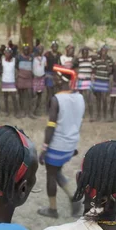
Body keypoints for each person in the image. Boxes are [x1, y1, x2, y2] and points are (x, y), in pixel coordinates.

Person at [37, 68, 85, 219]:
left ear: (62, 80)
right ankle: (74, 199)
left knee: (51, 175)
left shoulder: (56, 99)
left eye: (56, 77)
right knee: (57, 172)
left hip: (57, 146)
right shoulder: (80, 97)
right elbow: (76, 121)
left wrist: (44, 149)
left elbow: (51, 126)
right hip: (71, 144)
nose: (54, 80)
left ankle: (52, 209)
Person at [92, 46, 113, 121]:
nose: (104, 52)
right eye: (102, 50)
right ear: (100, 51)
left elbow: (110, 70)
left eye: (105, 51)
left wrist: (105, 61)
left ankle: (105, 115)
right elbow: (93, 69)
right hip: (98, 80)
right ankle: (98, 115)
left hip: (105, 81)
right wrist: (93, 79)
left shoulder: (109, 59)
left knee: (104, 98)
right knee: (98, 99)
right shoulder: (96, 59)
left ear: (107, 51)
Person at [75, 46, 95, 121]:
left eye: (86, 53)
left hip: (88, 80)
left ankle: (91, 116)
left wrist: (90, 49)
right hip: (80, 80)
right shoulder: (79, 59)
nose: (85, 54)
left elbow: (97, 55)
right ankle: (81, 115)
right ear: (82, 53)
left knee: (89, 99)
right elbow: (73, 61)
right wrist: (79, 51)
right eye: (84, 53)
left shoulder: (91, 59)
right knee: (80, 99)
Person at [16, 43, 34, 118]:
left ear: (29, 50)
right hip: (21, 78)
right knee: (21, 96)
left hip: (29, 79)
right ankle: (22, 111)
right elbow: (16, 66)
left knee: (30, 95)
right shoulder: (19, 57)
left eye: (27, 49)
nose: (26, 51)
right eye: (25, 49)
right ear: (23, 50)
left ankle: (29, 112)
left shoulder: (31, 57)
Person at [1, 47, 17, 116]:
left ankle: (16, 111)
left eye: (9, 53)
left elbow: (17, 69)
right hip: (5, 80)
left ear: (11, 53)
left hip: (12, 81)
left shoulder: (14, 60)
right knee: (5, 97)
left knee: (14, 97)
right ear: (4, 53)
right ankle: (7, 111)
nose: (7, 54)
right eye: (6, 52)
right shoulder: (2, 60)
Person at [32, 45, 47, 116]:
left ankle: (36, 110)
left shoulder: (44, 58)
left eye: (41, 49)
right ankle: (32, 109)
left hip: (41, 77)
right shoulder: (33, 58)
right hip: (35, 78)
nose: (40, 50)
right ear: (37, 50)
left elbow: (45, 66)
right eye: (39, 49)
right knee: (33, 94)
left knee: (39, 95)